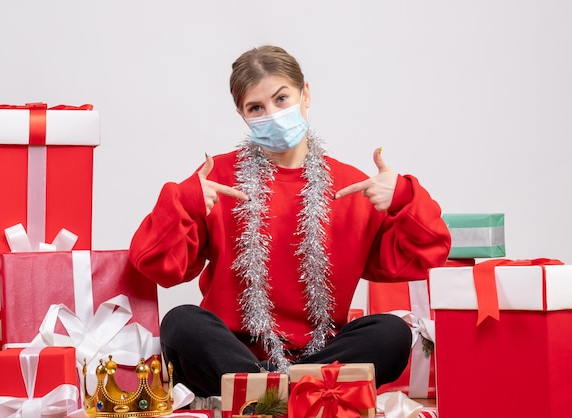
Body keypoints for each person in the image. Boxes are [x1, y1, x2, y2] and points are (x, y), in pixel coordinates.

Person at [128, 45, 451, 397]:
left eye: (282, 99)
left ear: (305, 94)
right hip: (233, 354)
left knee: (392, 331)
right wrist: (184, 204)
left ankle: (272, 394)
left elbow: (426, 254)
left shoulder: (351, 186)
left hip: (323, 354)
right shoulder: (218, 179)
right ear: (242, 114)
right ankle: (292, 392)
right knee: (181, 322)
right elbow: (156, 265)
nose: (273, 114)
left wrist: (403, 196)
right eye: (257, 108)